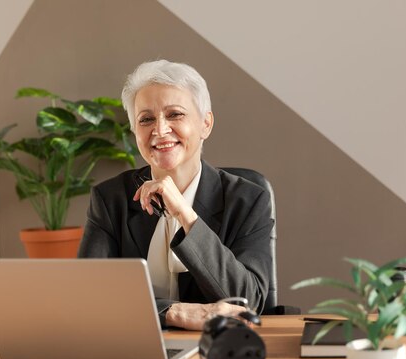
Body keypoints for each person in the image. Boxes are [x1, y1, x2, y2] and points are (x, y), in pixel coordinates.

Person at [78, 59, 274, 330]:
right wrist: (175, 313)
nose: (159, 130)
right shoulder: (110, 200)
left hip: (219, 348)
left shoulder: (249, 200)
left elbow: (248, 302)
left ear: (206, 124)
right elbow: (89, 296)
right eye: (146, 119)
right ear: (135, 131)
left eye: (175, 114)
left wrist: (185, 214)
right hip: (133, 347)